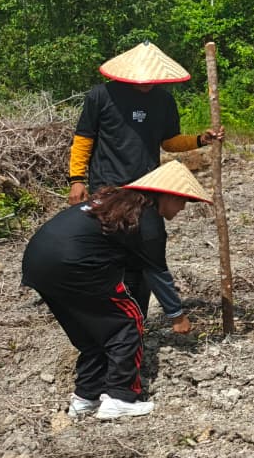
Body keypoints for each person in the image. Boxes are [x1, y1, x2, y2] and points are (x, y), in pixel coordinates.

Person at [22, 161, 209, 420]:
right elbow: (156, 273)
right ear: (168, 195)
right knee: (126, 323)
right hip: (75, 264)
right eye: (183, 201)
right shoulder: (148, 221)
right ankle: (120, 398)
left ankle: (85, 397)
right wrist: (177, 315)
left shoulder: (118, 200)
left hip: (38, 262)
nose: (183, 208)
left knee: (92, 334)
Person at [68, 41, 223, 316]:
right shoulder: (101, 96)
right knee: (110, 251)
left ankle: (138, 318)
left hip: (147, 188)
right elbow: (84, 139)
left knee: (148, 252)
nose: (147, 83)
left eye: (153, 78)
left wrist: (200, 139)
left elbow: (169, 142)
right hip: (107, 186)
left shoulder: (163, 100)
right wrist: (77, 179)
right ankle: (108, 315)